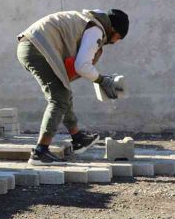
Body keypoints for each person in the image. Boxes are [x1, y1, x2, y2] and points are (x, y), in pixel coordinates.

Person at [17, 9, 129, 165]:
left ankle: (78, 139)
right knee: (59, 99)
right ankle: (40, 152)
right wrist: (102, 80)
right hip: (37, 48)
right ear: (113, 29)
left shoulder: (88, 23)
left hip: (35, 45)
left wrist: (100, 79)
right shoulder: (96, 29)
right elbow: (82, 66)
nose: (116, 42)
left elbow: (78, 66)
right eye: (118, 38)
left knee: (63, 93)